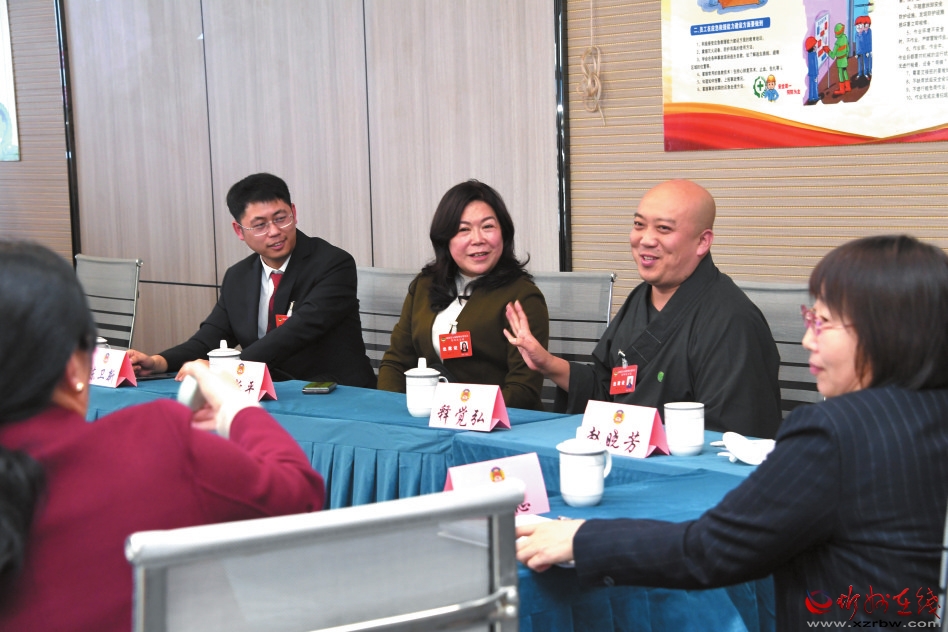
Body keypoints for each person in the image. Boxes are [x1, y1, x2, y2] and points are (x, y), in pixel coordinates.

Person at [515, 235, 948, 629]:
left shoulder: (833, 432)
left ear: (886, 334)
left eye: (823, 322)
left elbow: (710, 549)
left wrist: (582, 539)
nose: (807, 341)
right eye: (809, 318)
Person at [0, 241, 326, 631]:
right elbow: (299, 494)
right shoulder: (156, 441)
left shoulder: (325, 264)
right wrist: (235, 405)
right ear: (75, 365)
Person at [505, 179, 781, 437]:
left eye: (663, 229)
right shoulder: (641, 298)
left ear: (702, 241)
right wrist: (547, 363)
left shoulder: (732, 320)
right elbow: (608, 391)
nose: (645, 239)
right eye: (639, 224)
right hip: (625, 450)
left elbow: (731, 435)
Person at [128, 172, 376, 387]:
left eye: (281, 218)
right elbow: (210, 338)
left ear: (294, 213)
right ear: (239, 230)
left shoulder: (333, 264)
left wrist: (224, 367)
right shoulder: (238, 276)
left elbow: (297, 331)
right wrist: (159, 361)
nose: (274, 231)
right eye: (259, 225)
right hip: (266, 393)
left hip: (332, 391)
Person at [377, 180, 550, 410]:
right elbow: (396, 363)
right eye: (463, 230)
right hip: (424, 419)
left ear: (503, 232)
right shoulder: (424, 286)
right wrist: (393, 411)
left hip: (495, 422)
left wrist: (459, 412)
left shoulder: (522, 296)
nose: (478, 239)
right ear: (445, 238)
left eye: (488, 226)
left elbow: (523, 390)